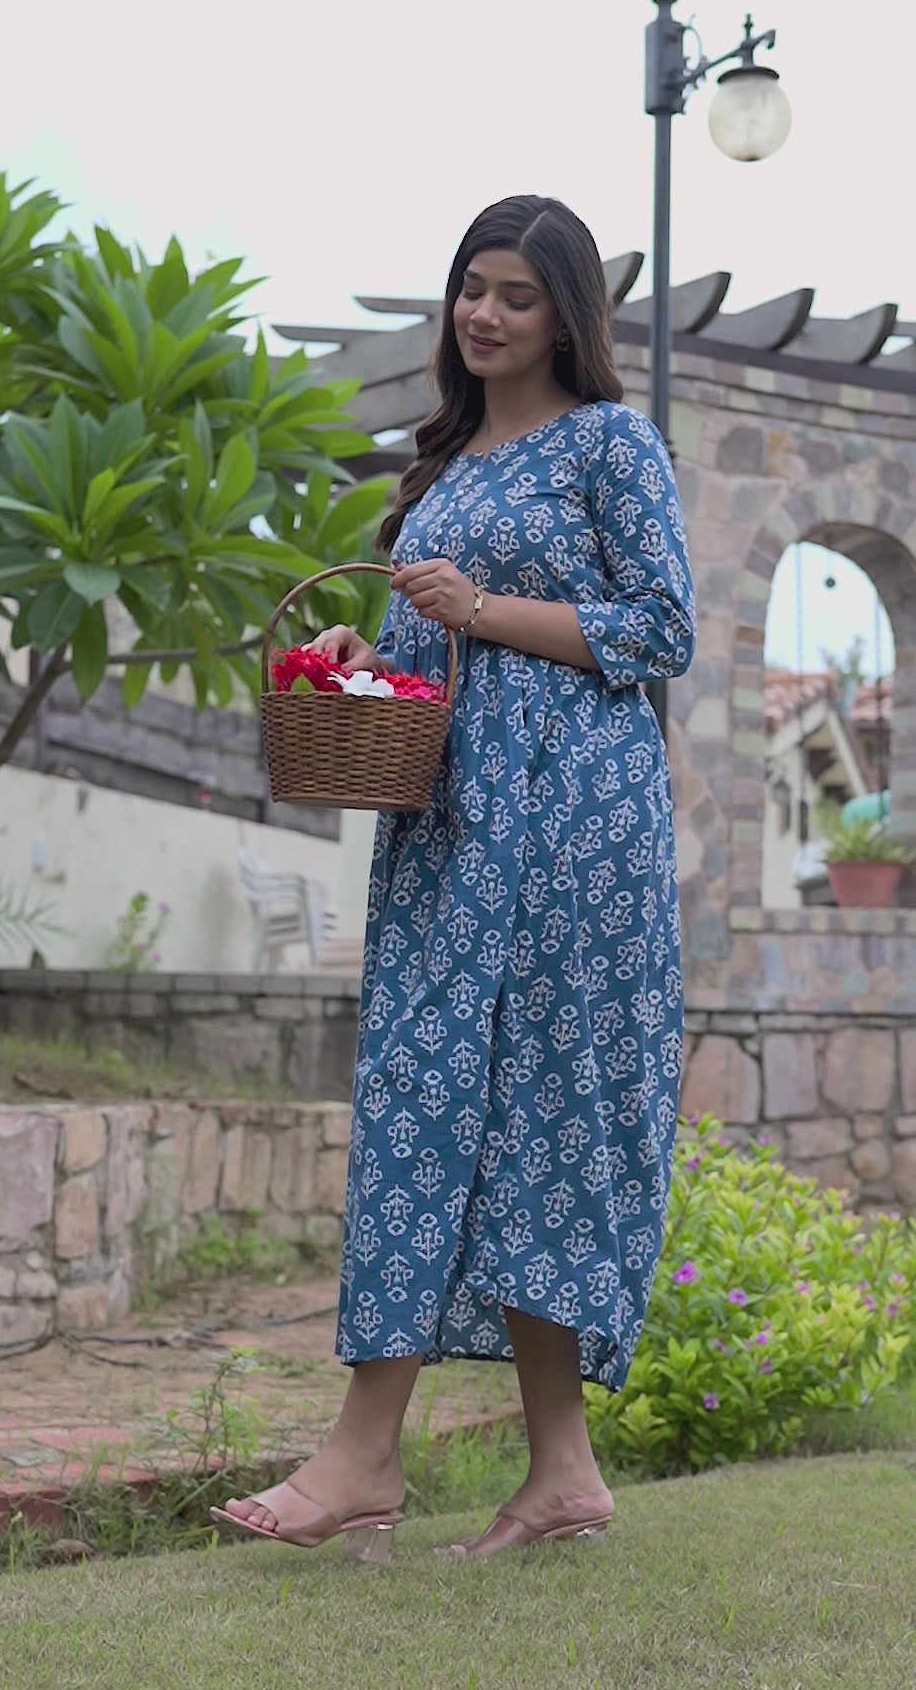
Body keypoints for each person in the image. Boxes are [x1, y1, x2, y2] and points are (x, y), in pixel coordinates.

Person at [213, 194, 695, 1560]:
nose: (483, 315)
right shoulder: (436, 476)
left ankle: (366, 1457)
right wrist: (344, 678)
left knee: (541, 1108)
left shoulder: (611, 444)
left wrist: (481, 614)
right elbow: (407, 658)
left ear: (567, 316)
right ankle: (559, 1475)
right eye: (470, 288)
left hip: (577, 827)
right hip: (448, 823)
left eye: (516, 295)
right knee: (430, 1095)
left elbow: (663, 629)